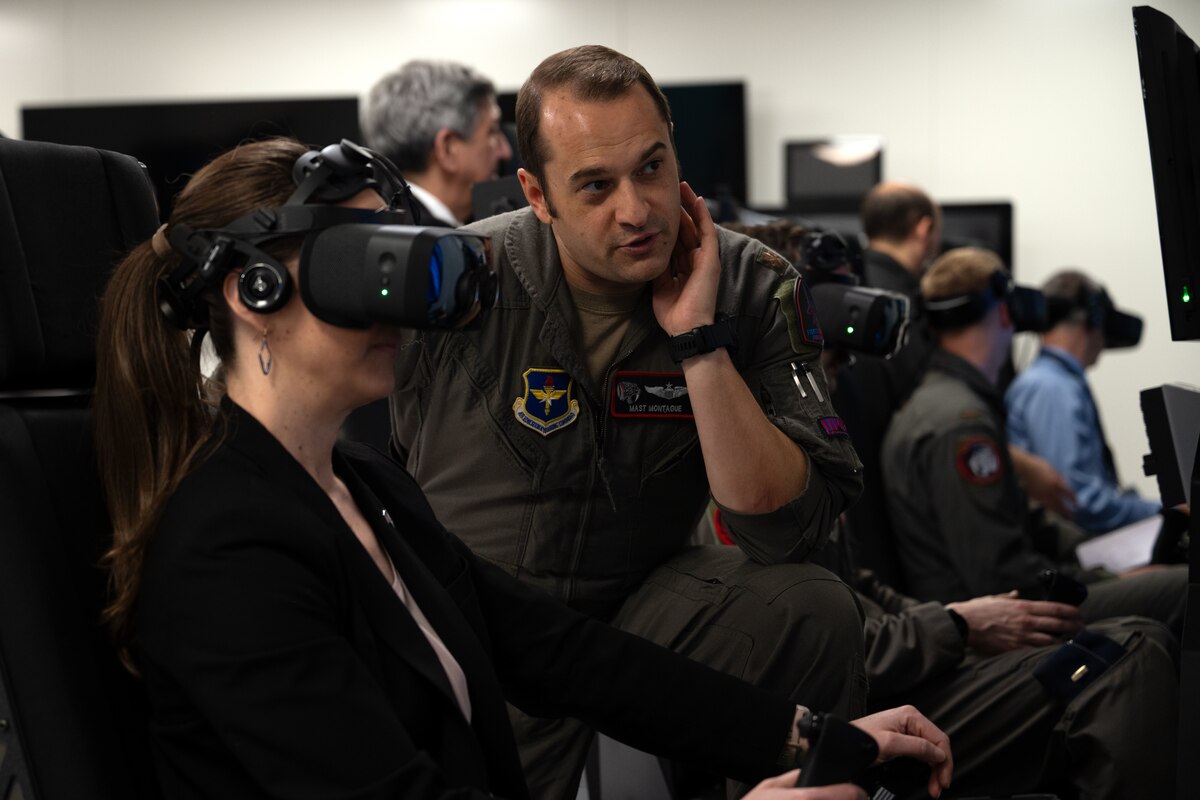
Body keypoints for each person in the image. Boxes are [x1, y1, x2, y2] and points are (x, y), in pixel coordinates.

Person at [92, 138, 951, 800]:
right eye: (364, 266)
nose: (402, 305)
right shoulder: (225, 548)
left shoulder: (367, 488)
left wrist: (814, 736)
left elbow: (567, 657)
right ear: (256, 296)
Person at [391, 45, 867, 798]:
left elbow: (789, 530)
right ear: (535, 193)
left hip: (640, 625)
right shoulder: (458, 280)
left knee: (812, 609)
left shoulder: (751, 284)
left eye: (652, 167)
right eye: (594, 185)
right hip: (476, 629)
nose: (638, 210)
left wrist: (700, 344)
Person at [879, 247, 1185, 631]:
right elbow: (999, 573)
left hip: (997, 603)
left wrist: (1091, 556)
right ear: (1008, 312)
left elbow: (1024, 519)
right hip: (989, 628)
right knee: (1184, 587)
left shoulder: (954, 404)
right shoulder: (962, 423)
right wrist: (1102, 579)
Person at [1006, 269, 1161, 534]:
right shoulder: (1051, 388)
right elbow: (1080, 503)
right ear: (1093, 319)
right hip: (1072, 553)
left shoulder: (1055, 382)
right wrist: (1161, 511)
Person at [361, 60, 512, 228]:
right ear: (447, 149)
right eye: (492, 131)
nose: (505, 151)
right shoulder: (438, 248)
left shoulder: (382, 225)